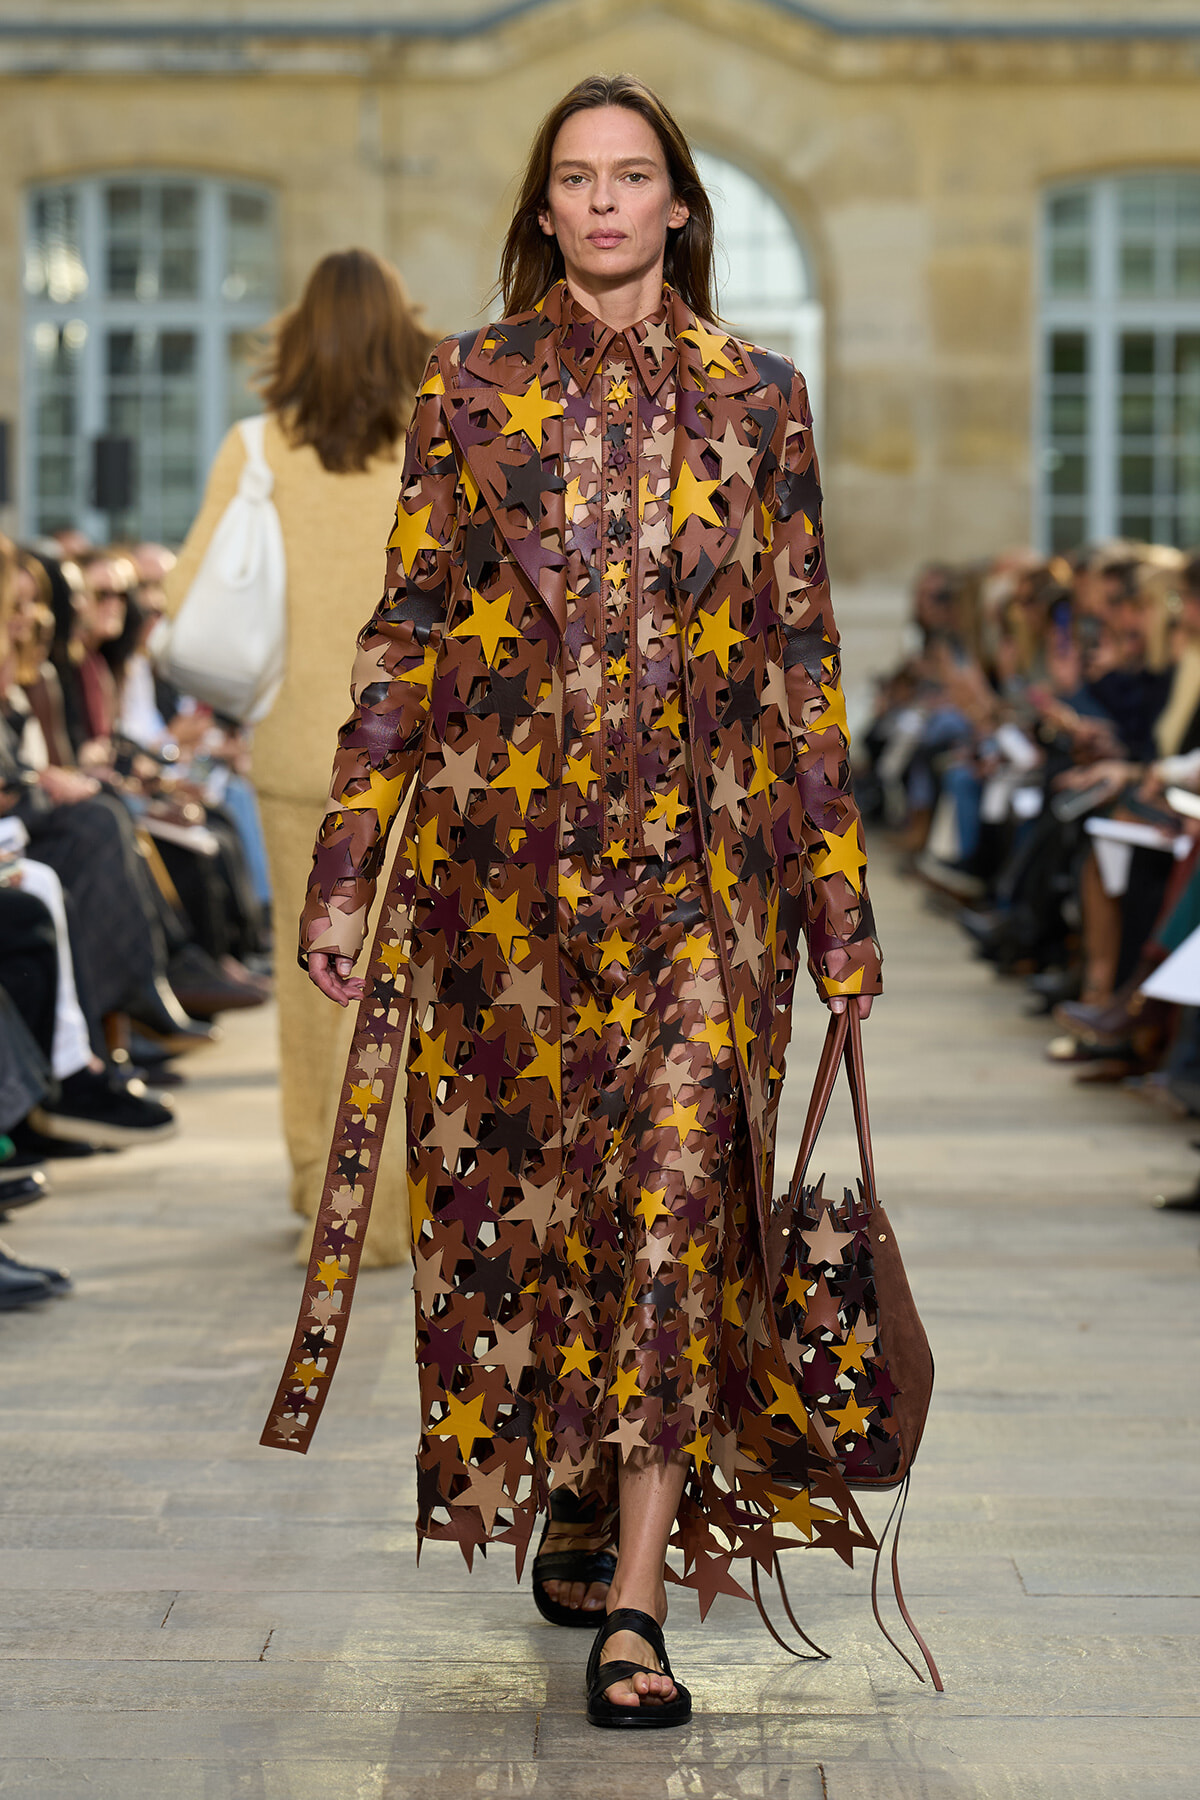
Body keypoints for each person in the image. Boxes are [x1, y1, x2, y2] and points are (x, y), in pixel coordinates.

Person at [267, 75, 881, 1727]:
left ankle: (635, 1595)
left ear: (682, 204)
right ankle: (567, 1480)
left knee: (681, 1213)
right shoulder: (466, 390)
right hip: (505, 904)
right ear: (545, 213)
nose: (606, 203)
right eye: (576, 180)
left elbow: (803, 651)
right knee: (524, 1230)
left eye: (635, 177)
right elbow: (407, 637)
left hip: (707, 891)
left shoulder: (764, 399)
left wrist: (841, 894)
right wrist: (346, 866)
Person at [167, 249, 436, 1267]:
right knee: (406, 969)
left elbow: (188, 592)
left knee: (316, 966)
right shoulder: (438, 435)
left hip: (294, 750)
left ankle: (323, 1184)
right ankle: (401, 1191)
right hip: (416, 743)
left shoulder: (257, 449)